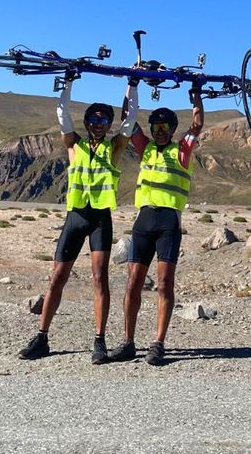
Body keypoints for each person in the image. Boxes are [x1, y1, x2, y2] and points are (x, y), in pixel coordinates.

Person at [19, 72, 133, 363]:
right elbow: (62, 114)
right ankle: (42, 337)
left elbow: (130, 119)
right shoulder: (73, 144)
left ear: (109, 125)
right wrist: (68, 83)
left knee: (99, 278)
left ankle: (99, 341)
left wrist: (132, 85)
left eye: (103, 120)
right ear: (87, 122)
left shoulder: (114, 147)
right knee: (57, 277)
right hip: (75, 217)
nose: (98, 124)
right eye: (93, 120)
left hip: (99, 220)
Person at [105, 81, 204, 365]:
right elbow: (128, 118)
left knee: (163, 284)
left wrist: (195, 95)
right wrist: (131, 85)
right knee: (133, 282)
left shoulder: (181, 151)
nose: (159, 132)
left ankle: (158, 343)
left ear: (173, 130)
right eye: (155, 127)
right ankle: (127, 342)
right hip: (143, 221)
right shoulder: (145, 148)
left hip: (168, 223)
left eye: (165, 127)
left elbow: (196, 126)